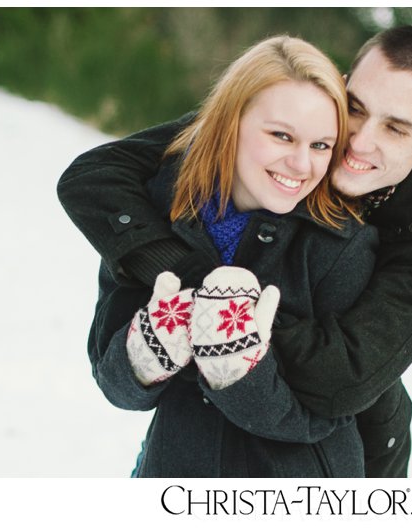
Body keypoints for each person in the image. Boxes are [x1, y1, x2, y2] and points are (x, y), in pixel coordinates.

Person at [57, 25, 412, 477]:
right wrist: (173, 276)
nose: (358, 142)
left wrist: (236, 321)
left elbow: (340, 384)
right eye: (355, 109)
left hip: (357, 432)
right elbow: (98, 174)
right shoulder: (288, 119)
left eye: (396, 128)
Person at [75, 35, 379, 477]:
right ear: (229, 122)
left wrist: (237, 375)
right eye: (281, 135)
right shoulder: (156, 216)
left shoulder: (340, 244)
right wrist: (145, 354)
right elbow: (115, 385)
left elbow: (328, 413)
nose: (300, 164)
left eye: (320, 146)